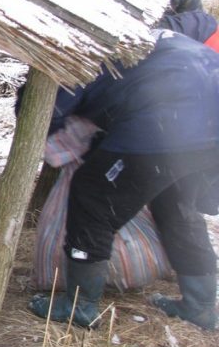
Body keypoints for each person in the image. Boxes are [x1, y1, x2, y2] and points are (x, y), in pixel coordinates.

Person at [27, 25, 219, 330]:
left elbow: (50, 109)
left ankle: (80, 306)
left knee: (92, 194)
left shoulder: (71, 56)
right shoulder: (135, 36)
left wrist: (57, 135)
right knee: (176, 205)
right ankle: (201, 306)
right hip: (210, 119)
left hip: (164, 121)